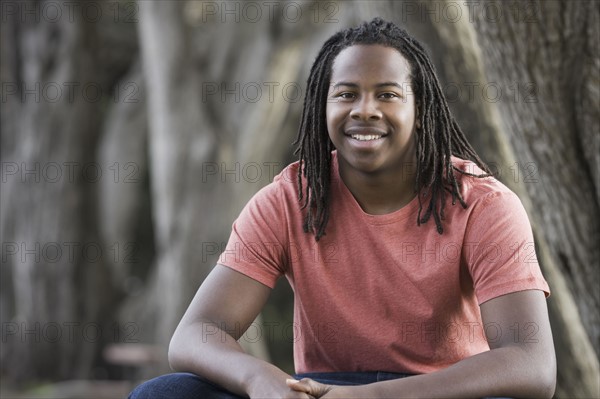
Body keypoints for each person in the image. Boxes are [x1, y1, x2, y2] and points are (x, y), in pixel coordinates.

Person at [129, 18, 556, 398]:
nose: (365, 110)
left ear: (420, 110)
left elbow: (531, 362)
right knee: (166, 393)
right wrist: (259, 379)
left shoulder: (483, 205)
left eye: (387, 94)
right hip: (324, 389)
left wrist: (379, 398)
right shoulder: (289, 199)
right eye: (346, 93)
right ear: (324, 107)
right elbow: (195, 334)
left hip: (435, 390)